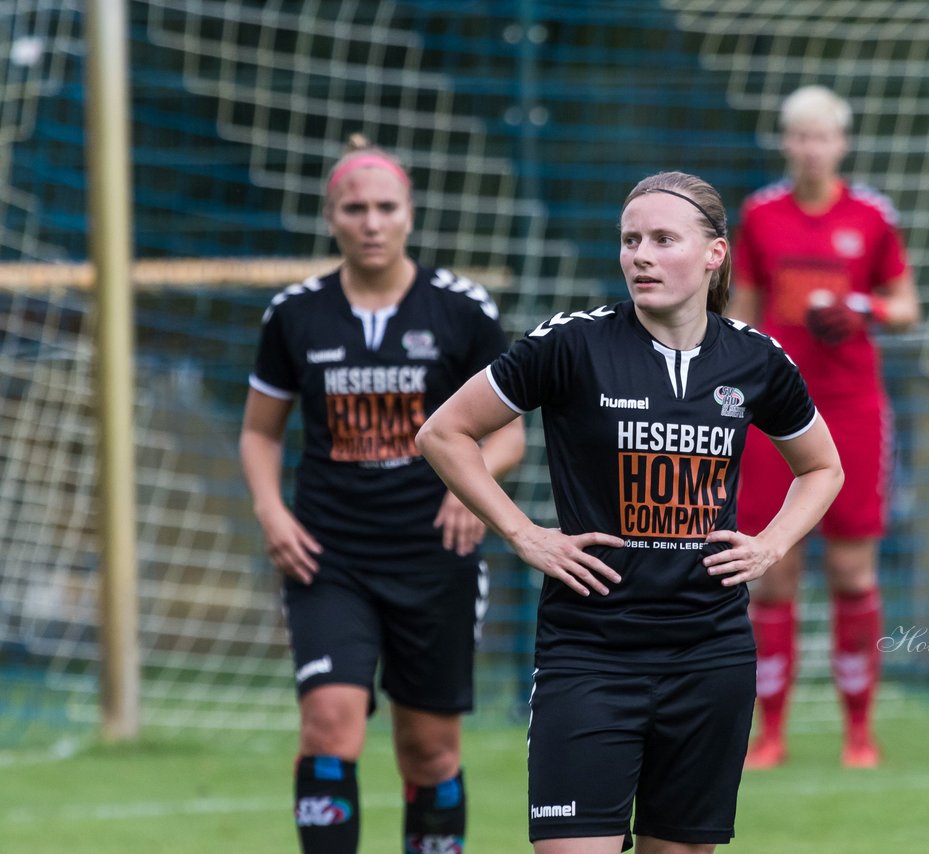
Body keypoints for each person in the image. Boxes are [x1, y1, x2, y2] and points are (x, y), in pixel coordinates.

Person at [416, 171, 844, 853]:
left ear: (714, 254)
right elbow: (443, 432)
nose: (640, 255)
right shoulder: (571, 344)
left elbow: (823, 467)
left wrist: (771, 546)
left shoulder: (755, 358)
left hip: (710, 655)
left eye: (662, 239)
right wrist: (524, 535)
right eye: (630, 240)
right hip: (590, 654)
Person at [239, 134, 525, 854]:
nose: (371, 222)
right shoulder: (295, 314)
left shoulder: (461, 310)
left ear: (410, 216)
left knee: (428, 751)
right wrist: (272, 512)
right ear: (331, 217)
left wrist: (472, 486)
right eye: (355, 208)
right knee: (329, 721)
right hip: (328, 554)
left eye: (385, 207)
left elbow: (511, 434)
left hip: (435, 554)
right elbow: (259, 433)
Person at [726, 84, 921, 769]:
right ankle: (768, 732)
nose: (810, 148)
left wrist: (859, 305)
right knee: (769, 571)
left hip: (851, 407)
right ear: (786, 142)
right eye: (798, 136)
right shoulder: (759, 215)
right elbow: (743, 310)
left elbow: (906, 305)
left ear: (841, 143)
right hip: (774, 412)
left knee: (850, 569)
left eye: (822, 136)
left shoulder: (870, 216)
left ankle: (859, 732)